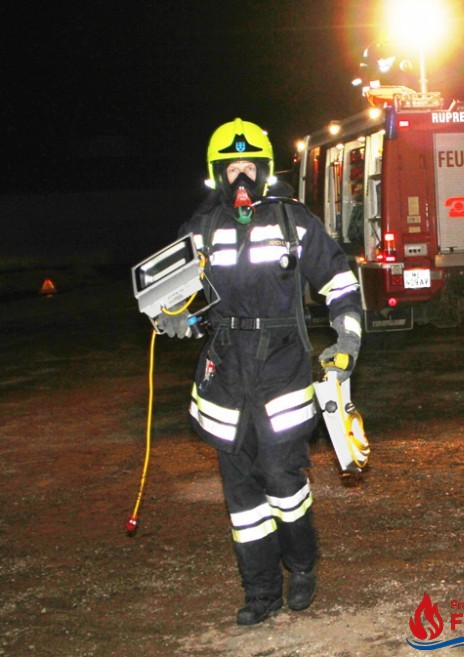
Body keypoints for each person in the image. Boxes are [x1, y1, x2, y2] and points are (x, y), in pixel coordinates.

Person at [155, 118, 363, 625]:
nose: (241, 177)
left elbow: (338, 280)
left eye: (251, 167)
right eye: (233, 168)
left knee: (280, 474)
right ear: (217, 173)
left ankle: (302, 564)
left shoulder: (294, 221)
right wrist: (172, 316)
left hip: (282, 364)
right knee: (241, 492)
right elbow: (166, 295)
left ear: (266, 171)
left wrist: (348, 337)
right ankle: (261, 593)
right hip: (224, 369)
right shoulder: (200, 227)